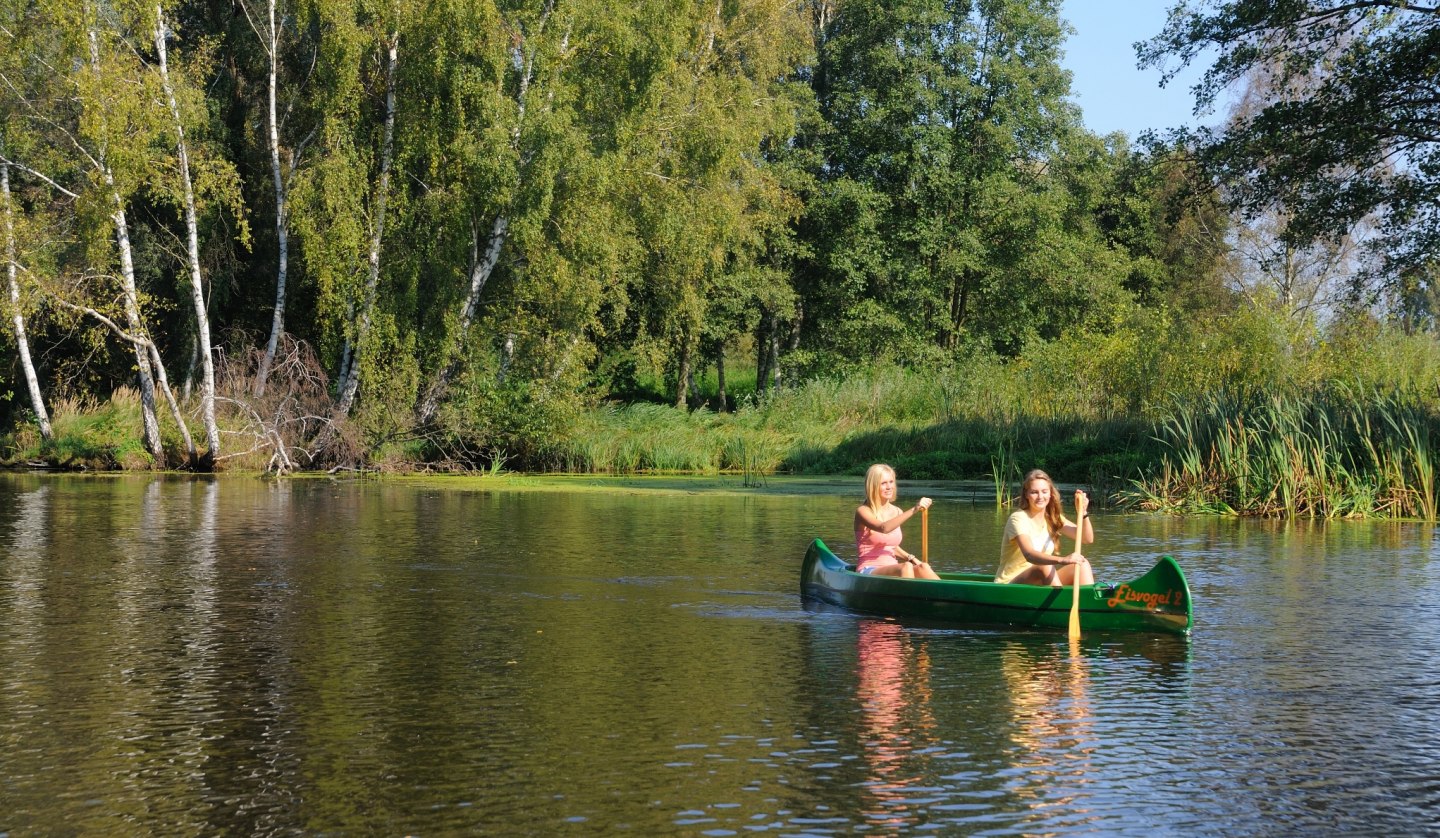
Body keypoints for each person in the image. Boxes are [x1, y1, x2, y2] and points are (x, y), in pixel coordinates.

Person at [995, 469, 1094, 586]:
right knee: (1045, 567)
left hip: (1040, 582)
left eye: (1044, 491)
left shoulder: (1053, 518)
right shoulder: (1018, 518)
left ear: (1050, 493)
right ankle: (1061, 603)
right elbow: (1029, 554)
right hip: (1010, 584)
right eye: (1034, 492)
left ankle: (1087, 602)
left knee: (1082, 563)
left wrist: (1082, 512)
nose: (1040, 496)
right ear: (1026, 494)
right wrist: (1062, 560)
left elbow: (1086, 538)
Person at [854, 463, 940, 579]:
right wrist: (914, 509)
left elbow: (891, 546)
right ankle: (909, 596)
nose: (889, 487)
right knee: (906, 567)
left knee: (923, 567)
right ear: (873, 486)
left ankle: (951, 596)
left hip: (893, 567)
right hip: (868, 569)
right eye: (883, 483)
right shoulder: (863, 511)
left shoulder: (897, 511)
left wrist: (913, 558)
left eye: (891, 482)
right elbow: (883, 528)